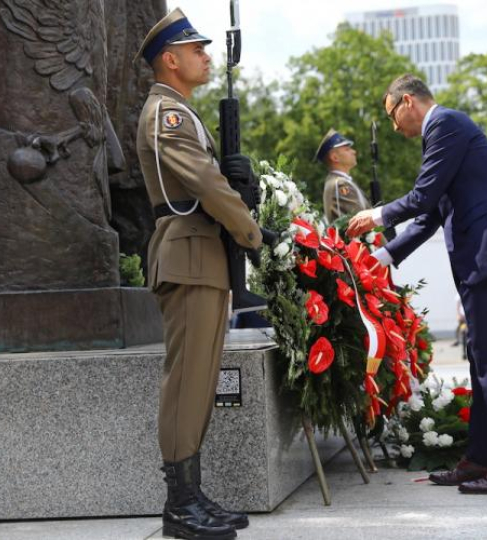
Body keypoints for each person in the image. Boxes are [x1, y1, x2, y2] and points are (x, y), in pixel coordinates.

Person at [347, 74, 487, 494]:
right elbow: (431, 214)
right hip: (485, 256)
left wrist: (377, 217)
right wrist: (383, 257)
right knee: (481, 358)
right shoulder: (443, 132)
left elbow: (421, 197)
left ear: (408, 101)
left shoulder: (446, 125)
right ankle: (482, 459)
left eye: (392, 115)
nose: (395, 127)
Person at [135, 8, 261, 539]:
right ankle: (180, 505)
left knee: (200, 384)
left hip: (201, 256)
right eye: (196, 50)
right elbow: (206, 186)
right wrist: (252, 231)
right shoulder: (168, 113)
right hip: (189, 257)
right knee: (187, 385)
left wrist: (242, 189)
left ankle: (192, 495)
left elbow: (212, 182)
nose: (206, 57)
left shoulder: (183, 112)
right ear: (171, 59)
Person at [315, 129, 372, 222]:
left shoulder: (342, 181)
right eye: (347, 149)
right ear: (334, 157)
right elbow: (362, 221)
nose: (354, 151)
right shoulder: (339, 184)